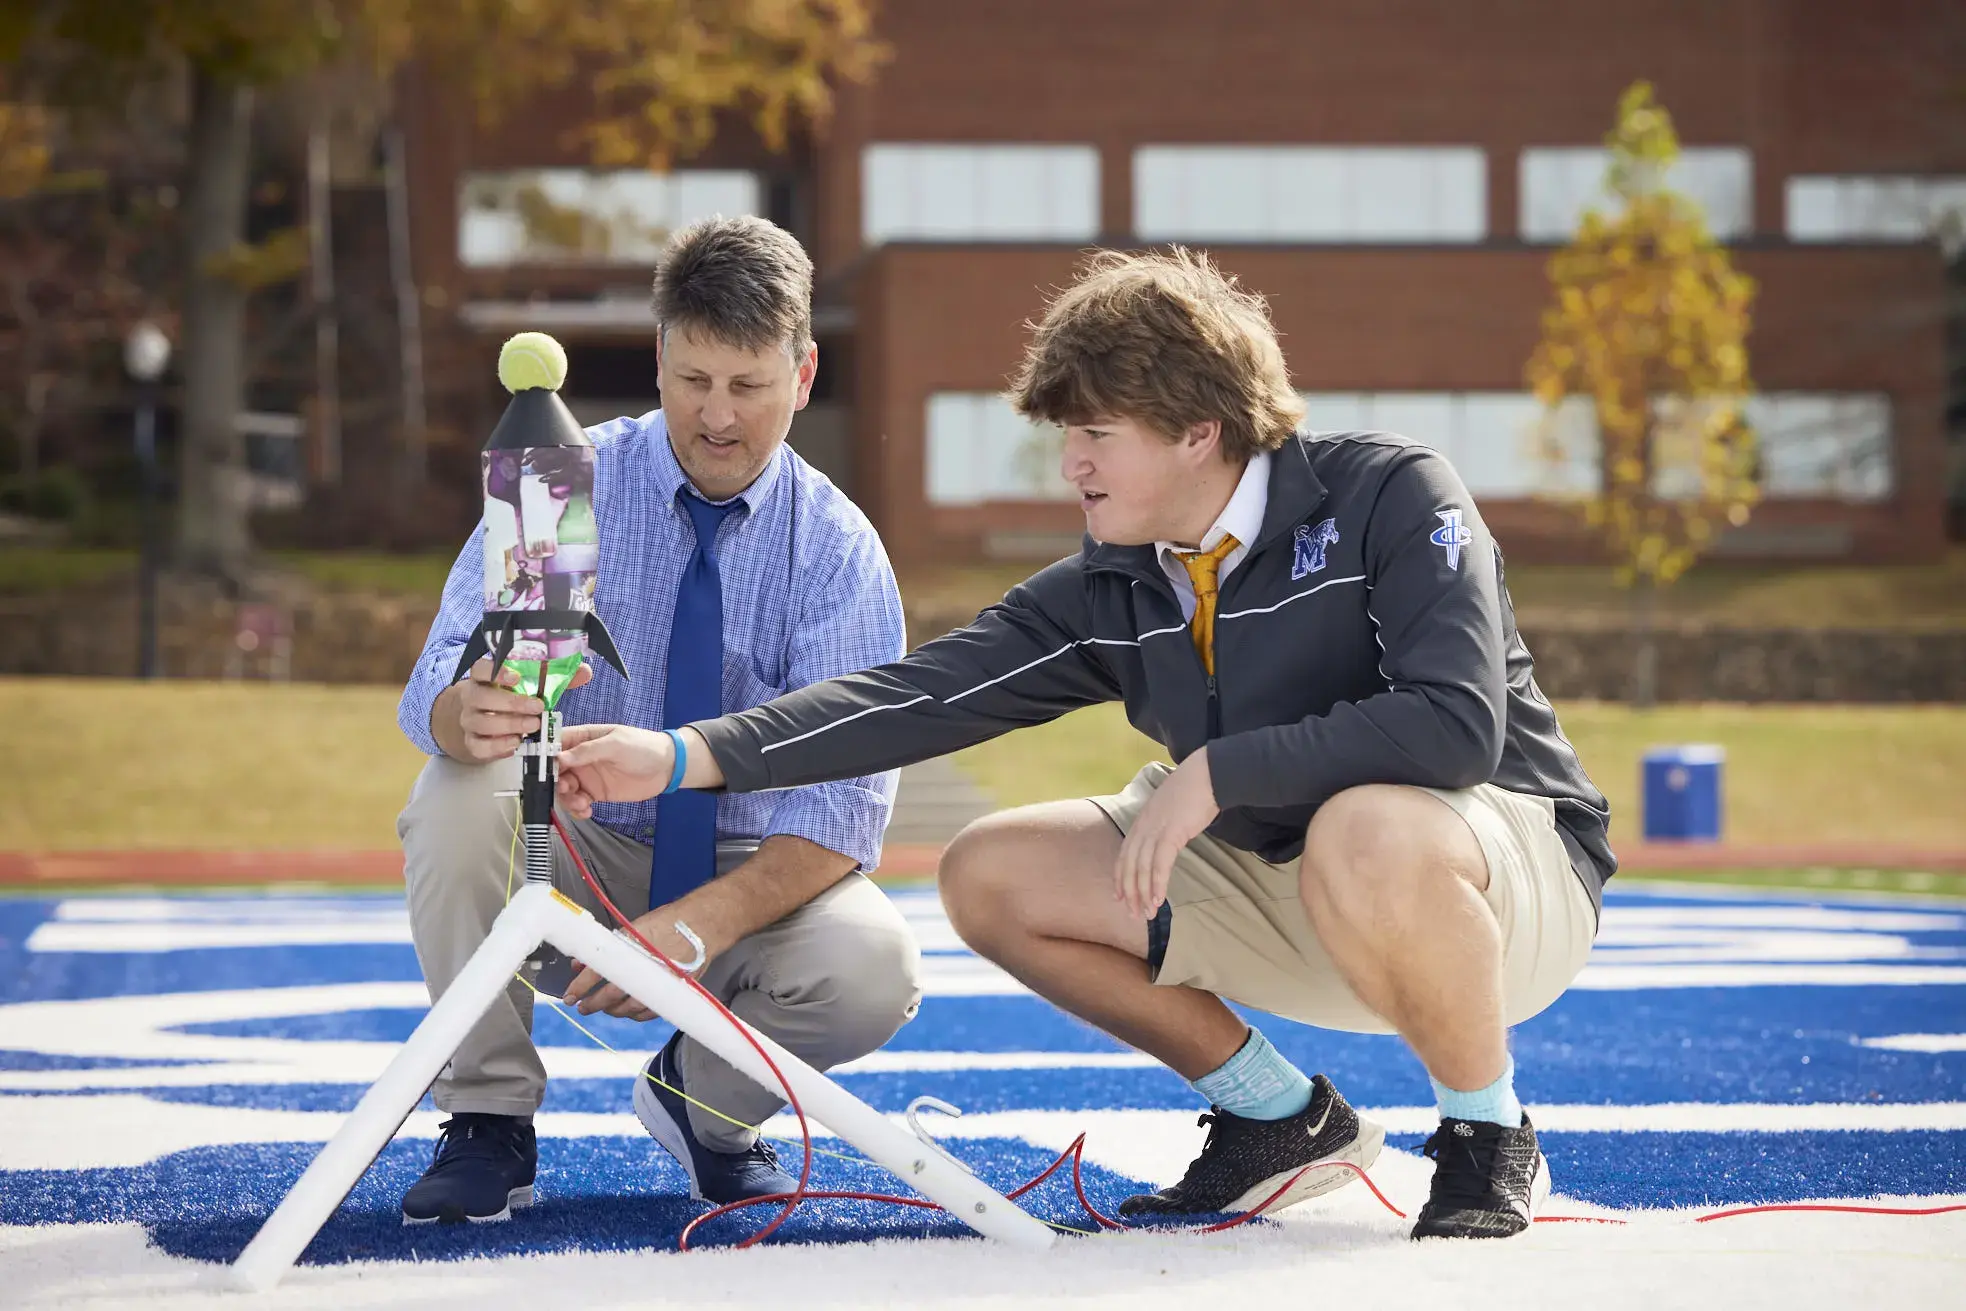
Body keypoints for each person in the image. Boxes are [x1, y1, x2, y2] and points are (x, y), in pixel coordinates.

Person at [549, 247, 1617, 1241]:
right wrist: (686, 755)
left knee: (1364, 824)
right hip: (1291, 882)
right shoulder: (1116, 578)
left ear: (1197, 428)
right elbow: (916, 695)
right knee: (992, 872)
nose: (1070, 465)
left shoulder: (1391, 492)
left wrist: (1219, 772)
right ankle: (1278, 1119)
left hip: (1497, 879)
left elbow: (1456, 724)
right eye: (1064, 436)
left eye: (1094, 436)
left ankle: (1487, 1135)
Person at [393, 216, 921, 1225]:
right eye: (693, 381)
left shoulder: (842, 554)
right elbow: (432, 694)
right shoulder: (560, 481)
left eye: (748, 386)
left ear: (803, 376)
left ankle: (703, 1108)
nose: (717, 419)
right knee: (455, 797)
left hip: (742, 878)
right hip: (574, 855)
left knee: (872, 968)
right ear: (659, 359)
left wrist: (691, 928)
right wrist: (469, 712)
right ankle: (488, 1116)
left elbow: (842, 817)